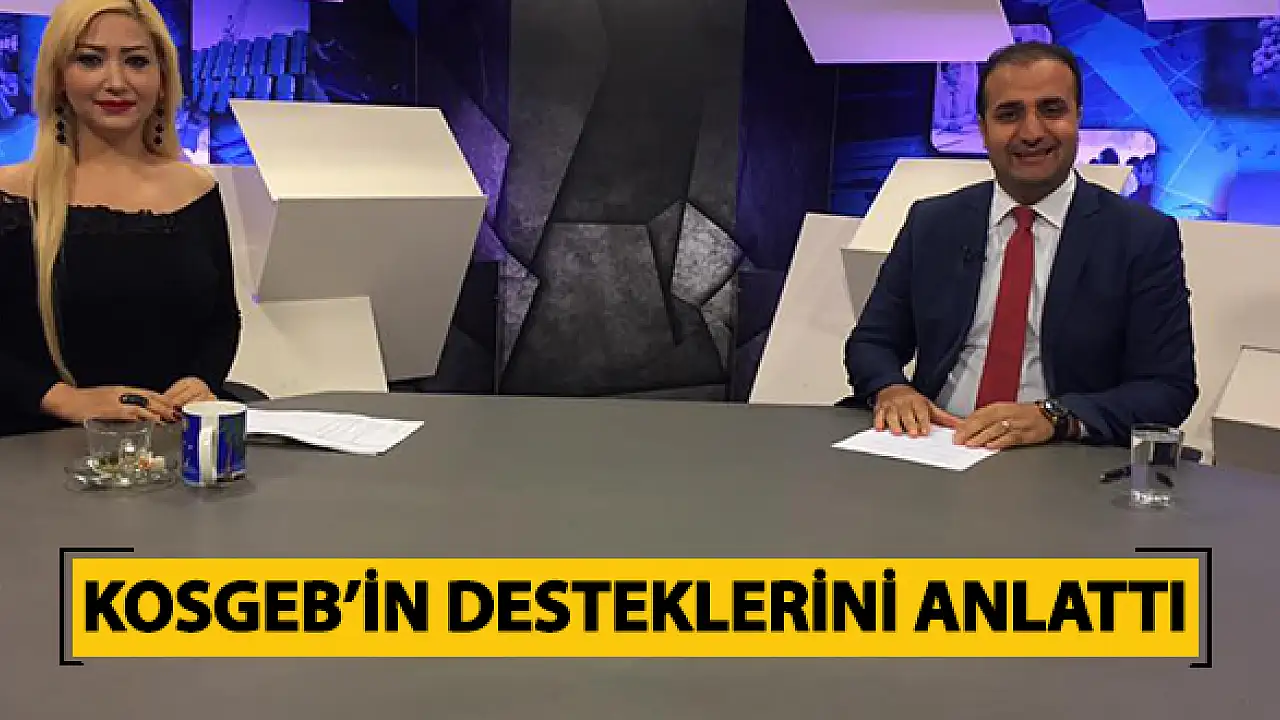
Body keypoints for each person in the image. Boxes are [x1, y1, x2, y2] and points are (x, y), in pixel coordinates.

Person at [842, 41, 1197, 449]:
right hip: (937, 443)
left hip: (1058, 454)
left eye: (1052, 110)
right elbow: (872, 342)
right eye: (1009, 114)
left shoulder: (1141, 236)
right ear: (983, 129)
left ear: (1077, 118)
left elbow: (1167, 388)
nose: (1031, 132)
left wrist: (1055, 417)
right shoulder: (933, 222)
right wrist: (891, 389)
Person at [0, 0, 241, 437]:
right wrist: (67, 400)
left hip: (169, 441)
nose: (116, 81)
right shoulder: (10, 195)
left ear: (162, 80)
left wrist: (201, 381)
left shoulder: (197, 190)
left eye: (136, 61)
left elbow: (222, 320)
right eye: (90, 60)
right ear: (59, 77)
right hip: (39, 442)